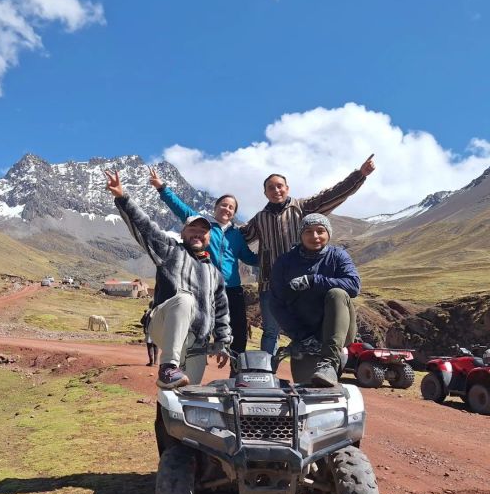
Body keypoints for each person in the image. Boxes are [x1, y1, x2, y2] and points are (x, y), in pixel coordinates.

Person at [105, 168, 231, 388]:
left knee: (185, 394)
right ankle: (168, 366)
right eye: (192, 229)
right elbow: (145, 228)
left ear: (209, 238)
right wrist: (122, 197)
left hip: (196, 343)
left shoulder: (214, 273)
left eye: (203, 231)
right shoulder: (170, 251)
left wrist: (222, 341)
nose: (198, 234)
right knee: (185, 299)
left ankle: (168, 406)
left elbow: (221, 311)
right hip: (164, 326)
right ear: (183, 233)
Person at [241, 154, 375, 356]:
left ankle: (321, 362)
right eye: (271, 187)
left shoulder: (303, 207)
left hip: (304, 281)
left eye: (280, 186)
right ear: (265, 193)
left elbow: (332, 195)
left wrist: (359, 175)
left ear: (287, 188)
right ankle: (266, 373)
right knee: (270, 331)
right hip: (271, 284)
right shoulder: (259, 219)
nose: (276, 190)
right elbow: (239, 237)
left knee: (311, 327)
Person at [149, 167, 258, 358]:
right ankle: (191, 362)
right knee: (200, 327)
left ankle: (237, 372)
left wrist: (274, 259)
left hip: (232, 289)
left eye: (231, 207)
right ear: (215, 208)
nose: (227, 209)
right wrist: (161, 188)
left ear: (234, 213)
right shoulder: (204, 227)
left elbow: (249, 258)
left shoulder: (237, 235)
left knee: (239, 332)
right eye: (223, 205)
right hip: (205, 287)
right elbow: (179, 207)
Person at [270, 214, 360, 387]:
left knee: (337, 293)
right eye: (309, 232)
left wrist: (314, 281)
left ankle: (330, 361)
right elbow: (276, 302)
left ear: (328, 233)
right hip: (304, 337)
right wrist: (301, 336)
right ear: (301, 235)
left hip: (338, 334)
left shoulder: (338, 256)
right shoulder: (285, 262)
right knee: (306, 389)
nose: (315, 236)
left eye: (320, 231)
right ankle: (316, 355)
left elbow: (354, 286)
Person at [140, 302, 159, 366]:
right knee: (156, 346)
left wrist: (145, 314)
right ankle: (155, 361)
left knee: (150, 346)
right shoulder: (158, 312)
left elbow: (142, 321)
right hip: (157, 331)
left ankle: (151, 362)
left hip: (149, 332)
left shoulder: (148, 313)